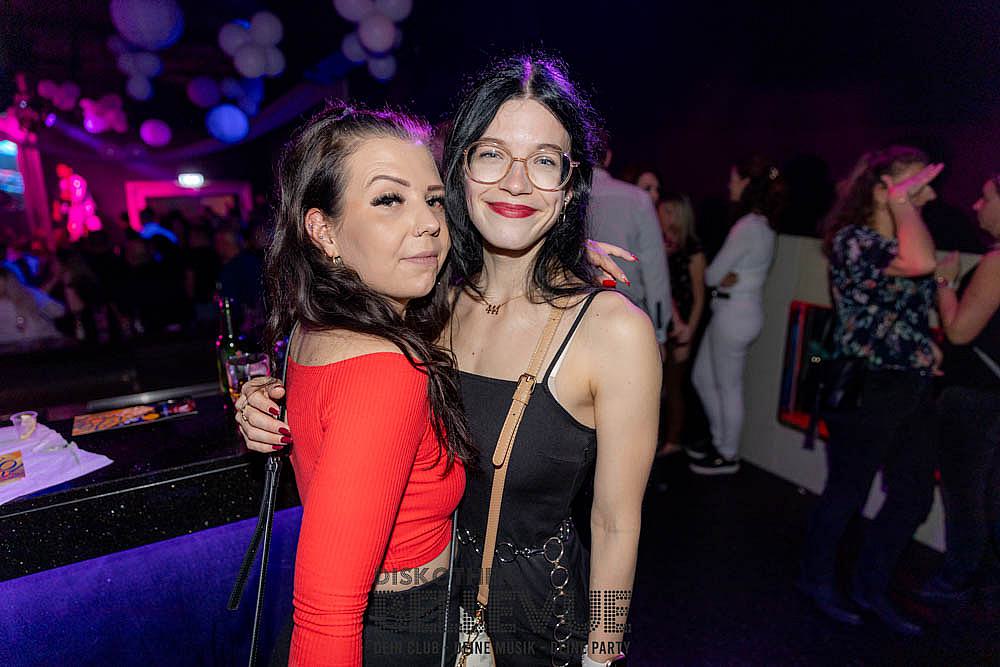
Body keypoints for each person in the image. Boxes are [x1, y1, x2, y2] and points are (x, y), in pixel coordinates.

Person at [240, 54, 658, 667]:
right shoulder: (428, 304)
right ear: (460, 168)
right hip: (437, 627)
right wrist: (270, 397)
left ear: (570, 186)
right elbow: (342, 364)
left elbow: (616, 522)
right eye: (492, 154)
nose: (517, 183)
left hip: (537, 630)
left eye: (545, 162)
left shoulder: (613, 331)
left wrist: (605, 649)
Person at [235, 104, 476, 666]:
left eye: (433, 199)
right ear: (324, 231)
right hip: (397, 634)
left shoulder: (311, 328)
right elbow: (327, 612)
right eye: (389, 199)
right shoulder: (387, 368)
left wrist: (549, 270)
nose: (428, 222)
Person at [799, 146, 943, 636]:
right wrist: (903, 201)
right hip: (868, 383)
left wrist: (923, 346)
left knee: (913, 495)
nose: (930, 193)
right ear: (882, 189)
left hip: (910, 382)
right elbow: (920, 262)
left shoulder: (900, 236)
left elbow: (905, 300)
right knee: (848, 492)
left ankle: (871, 585)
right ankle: (816, 580)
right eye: (917, 182)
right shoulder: (852, 240)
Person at [917, 173, 1000, 603]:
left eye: (985, 198)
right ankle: (983, 574)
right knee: (990, 491)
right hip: (993, 395)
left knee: (963, 490)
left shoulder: (997, 263)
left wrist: (945, 283)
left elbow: (960, 331)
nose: (975, 205)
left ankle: (958, 576)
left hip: (974, 395)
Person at [687, 157, 782, 473]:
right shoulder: (763, 226)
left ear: (746, 184)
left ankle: (728, 454)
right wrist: (723, 277)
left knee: (728, 387)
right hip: (737, 311)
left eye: (734, 179)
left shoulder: (748, 227)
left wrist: (720, 276)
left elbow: (712, 275)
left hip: (734, 313)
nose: (729, 185)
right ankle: (720, 443)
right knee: (703, 378)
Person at [588, 136, 672, 350]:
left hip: (571, 313)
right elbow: (655, 272)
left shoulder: (559, 195)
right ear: (607, 157)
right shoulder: (637, 199)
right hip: (626, 311)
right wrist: (660, 332)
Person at [657, 193, 706, 456]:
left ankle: (674, 441)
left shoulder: (693, 252)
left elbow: (699, 298)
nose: (662, 216)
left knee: (675, 386)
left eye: (668, 211)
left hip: (682, 325)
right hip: (660, 321)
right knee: (657, 385)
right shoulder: (657, 245)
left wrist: (689, 331)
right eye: (661, 210)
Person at [0, 266, 66, 345]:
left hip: (44, 342)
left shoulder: (29, 294)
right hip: (26, 344)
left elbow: (58, 311)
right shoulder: (29, 294)